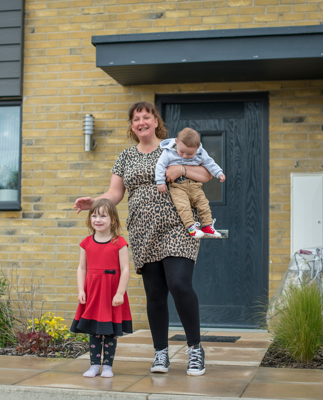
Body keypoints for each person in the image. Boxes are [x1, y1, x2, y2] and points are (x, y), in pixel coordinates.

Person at [74, 101, 211, 376]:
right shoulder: (125, 156)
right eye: (136, 119)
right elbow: (115, 193)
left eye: (146, 117)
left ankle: (195, 349)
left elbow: (205, 173)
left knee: (180, 284)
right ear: (132, 125)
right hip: (142, 231)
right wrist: (94, 202)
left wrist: (181, 170)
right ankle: (161, 352)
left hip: (178, 227)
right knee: (155, 293)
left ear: (155, 121)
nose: (141, 122)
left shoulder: (174, 146)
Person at [70, 198, 132, 378]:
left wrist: (120, 292)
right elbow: (82, 268)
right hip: (93, 293)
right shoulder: (86, 243)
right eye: (94, 215)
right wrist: (81, 290)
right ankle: (94, 365)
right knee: (94, 330)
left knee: (109, 331)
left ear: (112, 220)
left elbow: (125, 269)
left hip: (112, 294)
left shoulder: (119, 243)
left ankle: (107, 366)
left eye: (103, 216)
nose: (98, 219)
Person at [155, 127, 226, 239]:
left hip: (195, 186)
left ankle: (207, 226)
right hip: (177, 186)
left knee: (203, 204)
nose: (184, 156)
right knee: (183, 206)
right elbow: (160, 166)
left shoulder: (201, 153)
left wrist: (219, 173)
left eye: (189, 154)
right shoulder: (168, 152)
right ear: (176, 142)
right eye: (182, 152)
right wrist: (160, 182)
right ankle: (191, 227)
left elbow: (209, 163)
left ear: (197, 148)